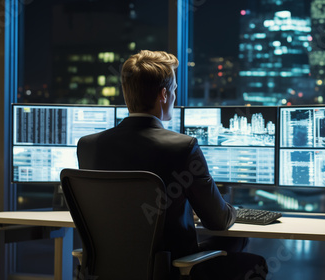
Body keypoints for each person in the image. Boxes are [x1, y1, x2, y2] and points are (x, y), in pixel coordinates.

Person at [77, 50, 268, 280]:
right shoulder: (183, 147)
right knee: (252, 258)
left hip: (106, 269)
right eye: (175, 90)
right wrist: (235, 211)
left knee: (236, 240)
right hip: (172, 269)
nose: (175, 97)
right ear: (164, 95)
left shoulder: (88, 146)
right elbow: (218, 220)